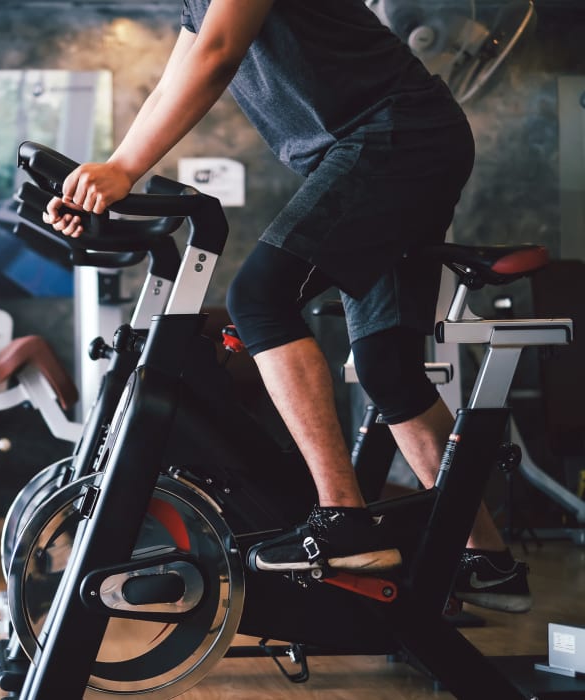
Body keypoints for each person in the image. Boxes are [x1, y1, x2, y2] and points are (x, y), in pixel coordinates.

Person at [43, 0, 531, 613]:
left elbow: (220, 55)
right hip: (387, 142)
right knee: (385, 363)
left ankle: (342, 521)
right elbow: (183, 68)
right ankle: (487, 561)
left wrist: (122, 170)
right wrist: (108, 180)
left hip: (392, 136)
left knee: (260, 300)